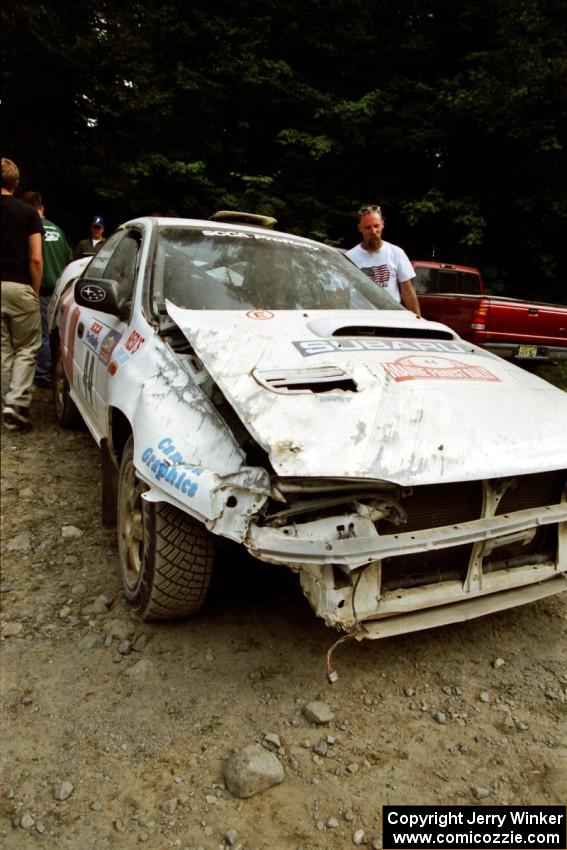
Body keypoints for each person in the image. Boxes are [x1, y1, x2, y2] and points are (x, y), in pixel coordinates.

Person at [1, 158, 43, 430]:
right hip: (18, 286)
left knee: (2, 348)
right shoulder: (28, 212)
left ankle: (6, 402)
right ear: (16, 183)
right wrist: (35, 292)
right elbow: (36, 258)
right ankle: (16, 403)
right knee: (27, 346)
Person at [21, 191, 73, 387]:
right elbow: (69, 260)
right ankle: (53, 370)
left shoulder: (30, 229)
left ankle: (42, 376)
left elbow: (33, 259)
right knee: (54, 334)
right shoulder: (58, 230)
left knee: (39, 335)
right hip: (59, 291)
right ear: (41, 207)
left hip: (39, 290)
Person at [346, 204, 421, 316]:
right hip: (360, 319)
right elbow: (341, 291)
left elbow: (407, 291)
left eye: (376, 226)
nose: (373, 231)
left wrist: (418, 321)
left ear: (382, 224)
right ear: (359, 228)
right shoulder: (349, 257)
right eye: (368, 227)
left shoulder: (396, 253)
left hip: (390, 319)